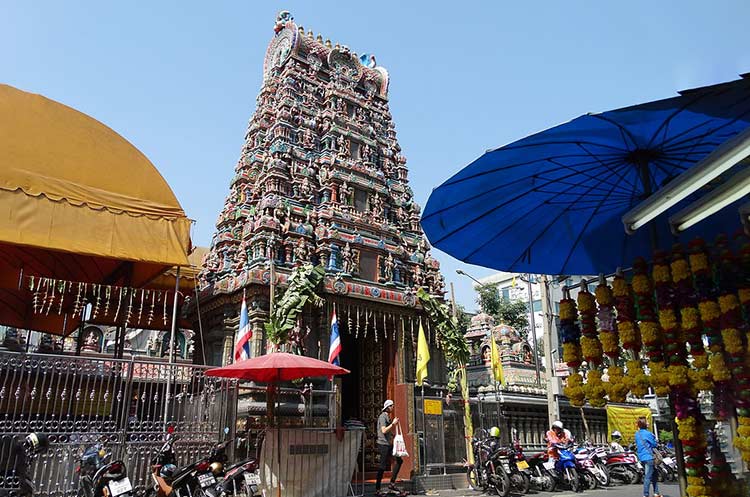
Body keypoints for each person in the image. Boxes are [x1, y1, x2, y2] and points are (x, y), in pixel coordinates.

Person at [376, 399, 403, 494]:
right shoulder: (382, 417)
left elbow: (388, 431)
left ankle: (392, 483)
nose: (393, 407)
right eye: (391, 406)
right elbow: (383, 430)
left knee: (399, 460)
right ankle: (377, 489)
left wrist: (393, 436)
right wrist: (393, 424)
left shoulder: (388, 416)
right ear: (387, 407)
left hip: (389, 444)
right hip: (383, 444)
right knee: (382, 466)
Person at [634, 417, 661, 497]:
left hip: (641, 457)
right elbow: (654, 445)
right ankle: (646, 494)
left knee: (655, 474)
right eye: (647, 422)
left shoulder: (637, 434)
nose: (649, 423)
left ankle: (656, 493)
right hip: (649, 457)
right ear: (644, 424)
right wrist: (654, 439)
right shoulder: (648, 434)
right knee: (648, 476)